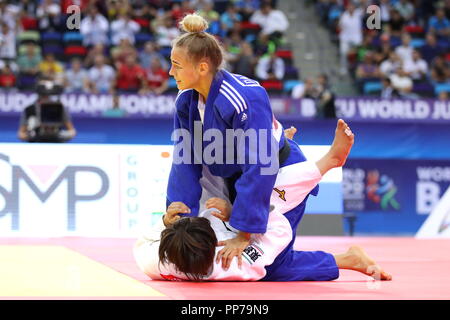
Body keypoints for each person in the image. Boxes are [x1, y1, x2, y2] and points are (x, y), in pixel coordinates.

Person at [166, 12, 338, 270]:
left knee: (263, 266)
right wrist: (180, 213)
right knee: (237, 263)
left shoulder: (244, 96)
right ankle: (346, 260)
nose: (170, 72)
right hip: (235, 177)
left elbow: (261, 165)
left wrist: (244, 233)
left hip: (279, 173)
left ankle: (344, 259)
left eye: (177, 65)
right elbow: (185, 159)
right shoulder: (186, 101)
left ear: (202, 67)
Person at [134, 119, 392, 282]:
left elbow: (143, 242)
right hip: (274, 210)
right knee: (276, 266)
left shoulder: (154, 260)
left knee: (207, 177)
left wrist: (166, 223)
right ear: (215, 246)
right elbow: (278, 229)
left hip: (229, 194)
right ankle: (327, 162)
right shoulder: (233, 265)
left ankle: (274, 149)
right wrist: (238, 214)